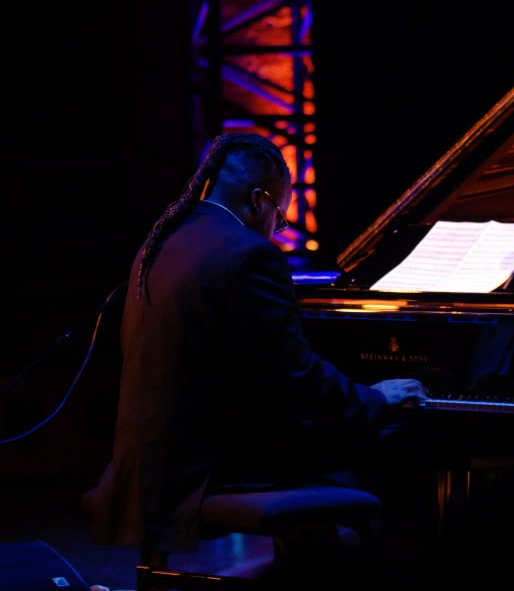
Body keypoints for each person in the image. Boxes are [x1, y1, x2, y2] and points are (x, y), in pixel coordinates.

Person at [86, 132, 429, 581]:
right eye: (280, 215)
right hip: (205, 468)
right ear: (257, 200)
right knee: (398, 434)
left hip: (151, 459)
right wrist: (375, 397)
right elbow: (296, 377)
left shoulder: (162, 242)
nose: (277, 227)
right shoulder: (249, 256)